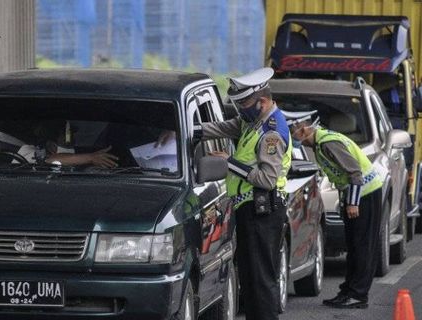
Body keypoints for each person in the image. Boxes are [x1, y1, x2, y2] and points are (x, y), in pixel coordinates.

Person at [163, 67, 291, 320]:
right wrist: (185, 130)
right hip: (250, 210)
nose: (240, 107)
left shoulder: (271, 133)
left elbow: (267, 179)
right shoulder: (254, 121)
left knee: (260, 279)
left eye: (244, 102)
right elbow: (226, 127)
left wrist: (229, 162)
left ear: (262, 101)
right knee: (251, 277)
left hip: (263, 211)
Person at [288, 114, 383, 309]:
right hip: (354, 194)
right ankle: (348, 290)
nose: (292, 139)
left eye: (292, 133)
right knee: (353, 246)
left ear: (304, 129)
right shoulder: (320, 144)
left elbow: (354, 173)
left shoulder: (328, 143)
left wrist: (353, 203)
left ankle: (358, 295)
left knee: (362, 246)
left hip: (365, 193)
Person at [18, 120, 119, 168]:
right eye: (66, 136)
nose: (71, 139)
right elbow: (49, 160)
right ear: (51, 145)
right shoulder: (26, 151)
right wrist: (91, 157)